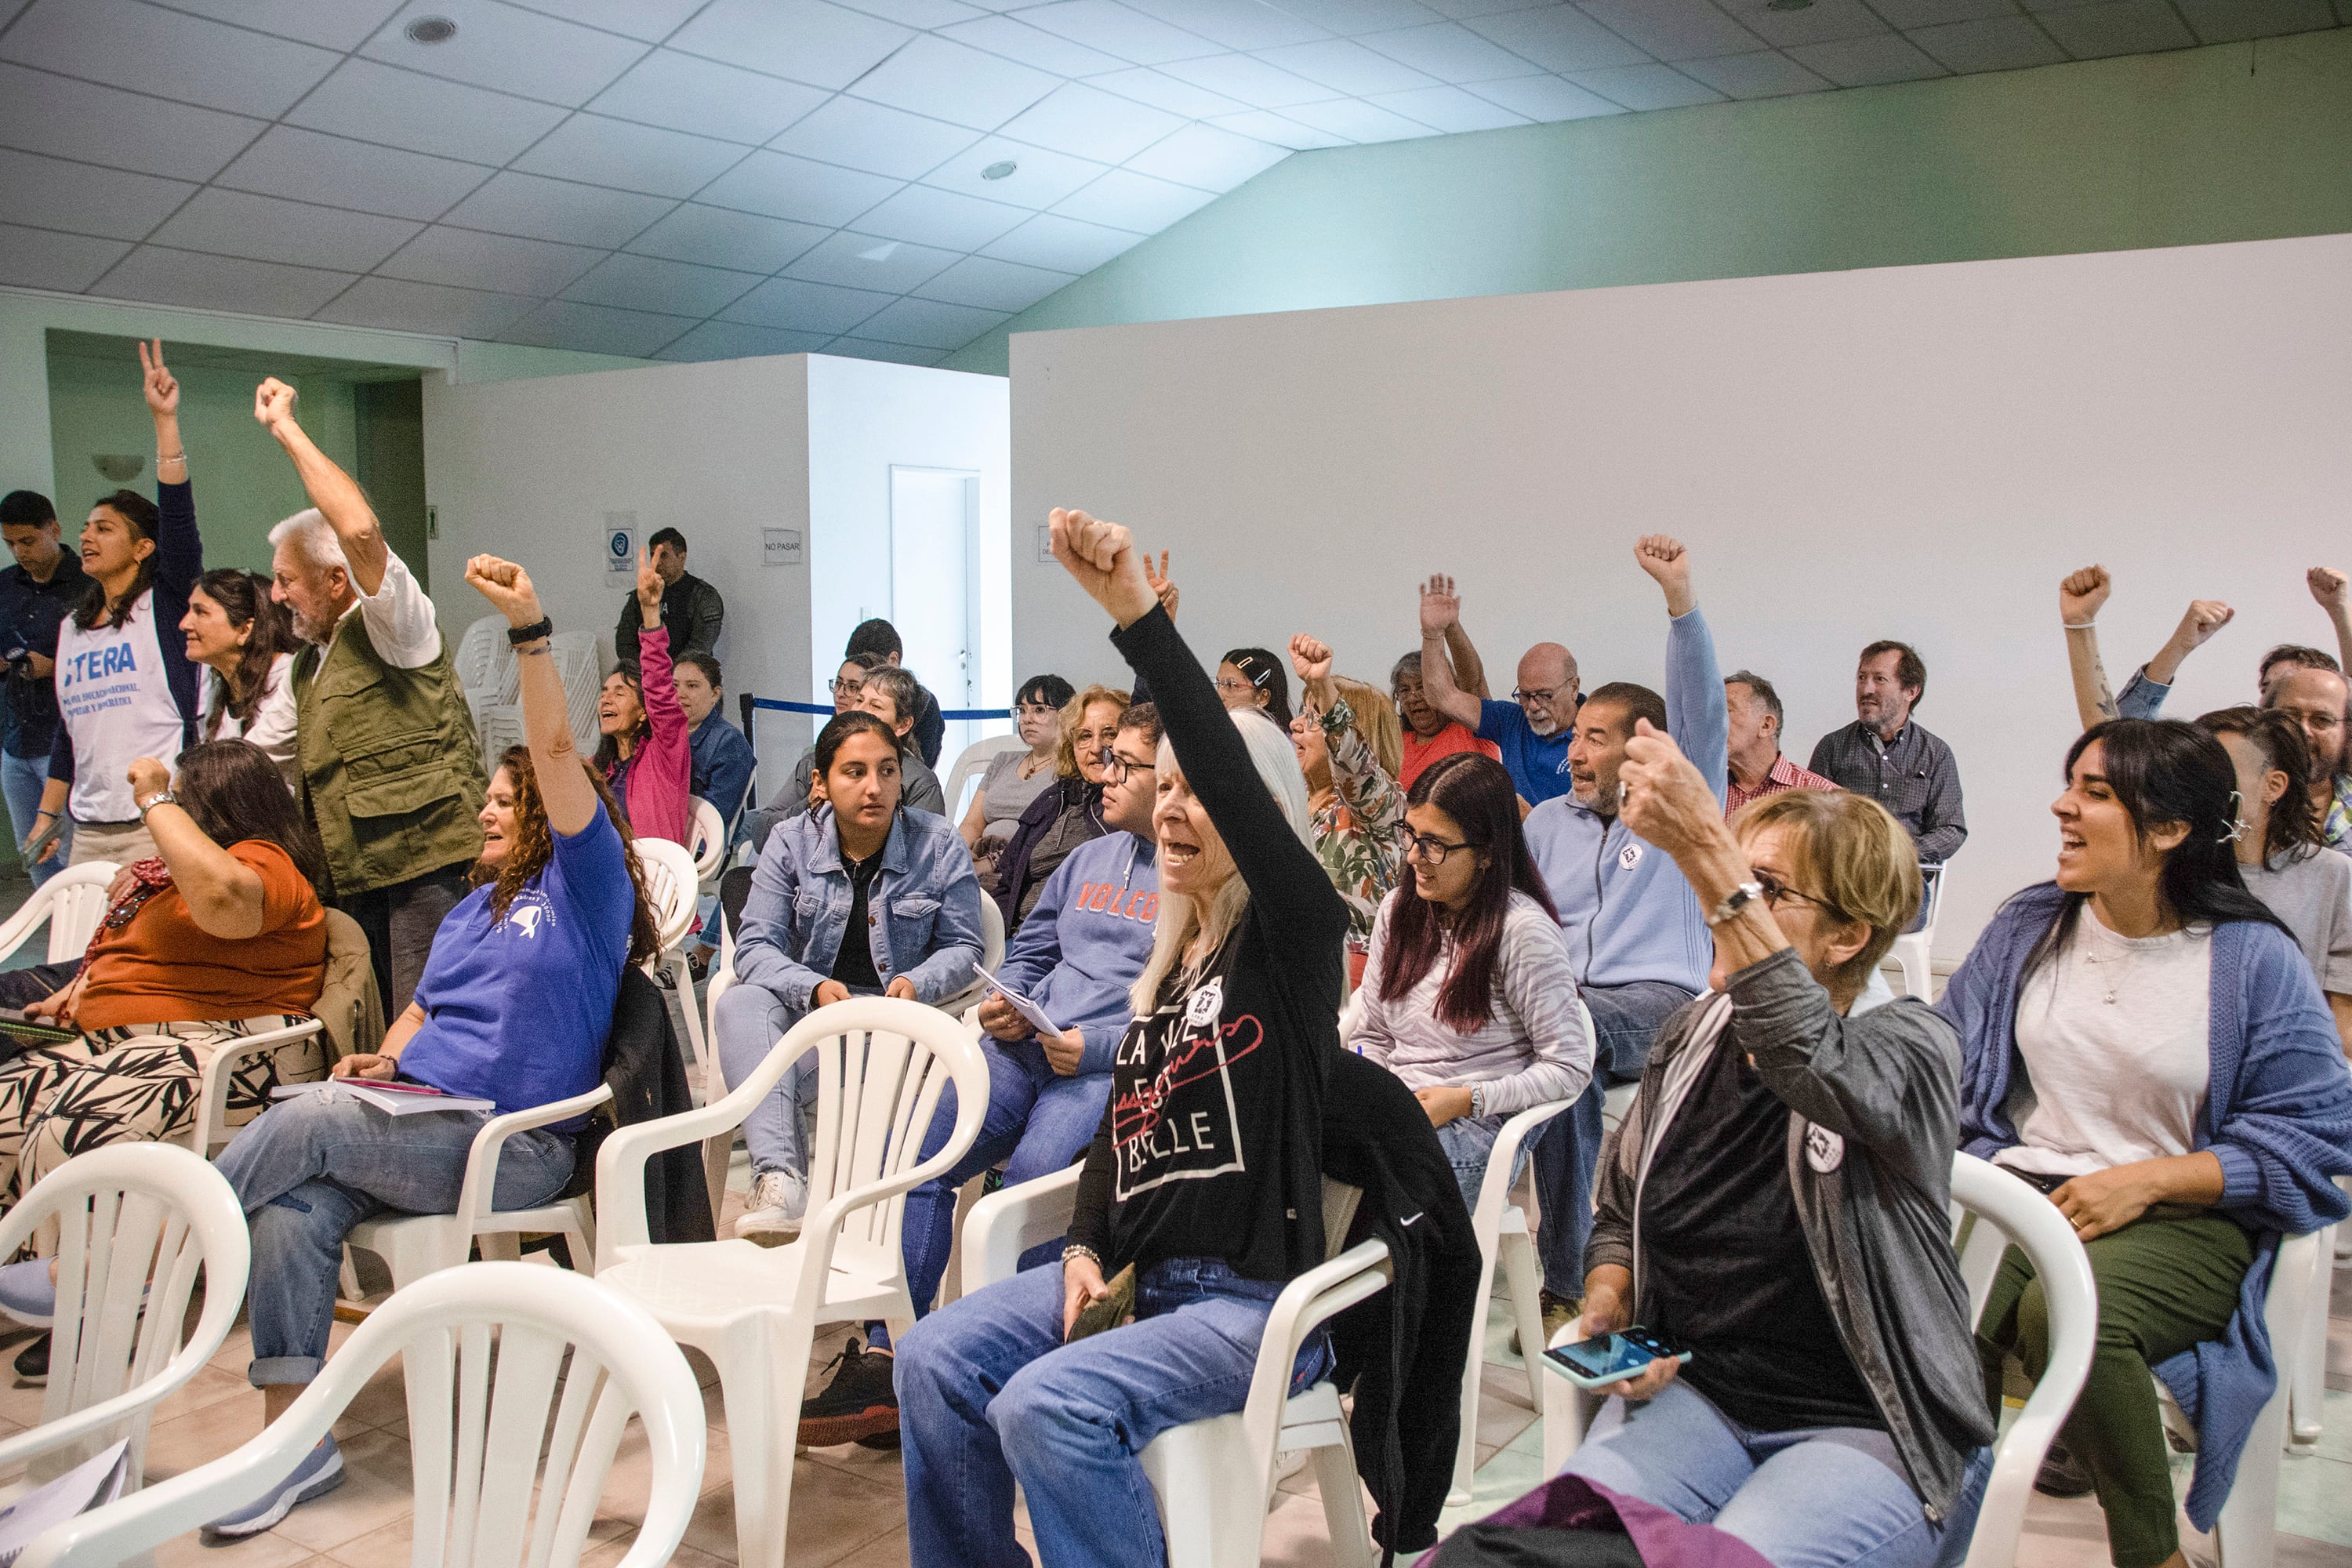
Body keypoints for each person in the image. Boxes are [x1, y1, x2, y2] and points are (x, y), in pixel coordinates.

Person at [895, 507, 1348, 1568]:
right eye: (1170, 793)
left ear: (1261, 815)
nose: (1180, 812)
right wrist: (1091, 1241)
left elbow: (1238, 789)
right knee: (931, 1359)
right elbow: (1123, 1133)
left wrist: (1139, 620)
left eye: (1203, 795)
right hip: (1144, 1282)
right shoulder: (1168, 970)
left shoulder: (1290, 945)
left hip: (1253, 1309)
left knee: (1043, 1408)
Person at [187, 552, 660, 1540]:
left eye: (504, 798)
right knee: (299, 1201)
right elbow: (421, 1013)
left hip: (509, 1142)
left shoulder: (584, 893)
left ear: (549, 813)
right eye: (488, 798)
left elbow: (559, 747)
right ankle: (291, 1443)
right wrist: (386, 1058)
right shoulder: (468, 911)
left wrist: (531, 633)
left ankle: (172, 1254)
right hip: (416, 1120)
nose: (486, 809)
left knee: (310, 1119)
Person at [1559, 731, 1996, 1568]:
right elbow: (1619, 1208)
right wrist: (1612, 1293)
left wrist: (1703, 849)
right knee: (1551, 1550)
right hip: (1704, 1393)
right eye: (1738, 884)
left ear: (1845, 937)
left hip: (1867, 1415)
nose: (1731, 904)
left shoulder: (1910, 1042)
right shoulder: (1693, 1033)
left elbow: (1809, 1059)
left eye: (1767, 892)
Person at [1942, 719, 2352, 1568]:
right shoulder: (2030, 924)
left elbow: (2321, 1127)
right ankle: (1941, 1527)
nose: (2062, 804)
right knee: (1935, 1307)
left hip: (2189, 1211)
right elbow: (1945, 1059)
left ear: (2169, 830)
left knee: (2066, 1311)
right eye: (2071, 783)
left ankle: (2152, 1555)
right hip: (2029, 1189)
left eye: (2095, 792)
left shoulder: (2252, 960)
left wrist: (2152, 1179)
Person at [799, 702, 1167, 1448]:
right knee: (921, 1157)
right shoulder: (1091, 859)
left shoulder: (1192, 877)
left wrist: (1090, 1047)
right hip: (1029, 1043)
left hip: (1101, 1067)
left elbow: (1182, 1007)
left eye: (1126, 763)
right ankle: (887, 1350)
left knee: (1031, 1182)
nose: (1103, 769)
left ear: (1172, 781)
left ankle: (1013, 1371)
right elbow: (1032, 947)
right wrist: (1009, 1001)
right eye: (1107, 756)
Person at [0, 738, 331, 1381]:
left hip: (219, 1049)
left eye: (184, 799)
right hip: (121, 1038)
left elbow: (225, 906)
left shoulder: (265, 863)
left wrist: (152, 796)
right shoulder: (172, 875)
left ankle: (102, 1297)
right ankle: (27, 1275)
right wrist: (83, 989)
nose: (171, 811)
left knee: (73, 1121)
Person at [1523, 535, 1726, 1341]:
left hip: (1658, 998)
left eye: (1597, 738)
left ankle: (1568, 1277)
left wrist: (1681, 601)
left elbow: (1702, 710)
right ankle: (1560, 1272)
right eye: (1576, 736)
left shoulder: (1675, 803)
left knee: (1563, 1033)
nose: (1576, 750)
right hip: (1568, 1007)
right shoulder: (1546, 823)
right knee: (1559, 1060)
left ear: (1641, 745)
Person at [260, 376, 486, 1016]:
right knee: (378, 1029)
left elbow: (359, 532)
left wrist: (287, 429)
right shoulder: (308, 665)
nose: (274, 595)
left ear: (336, 582)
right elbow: (256, 756)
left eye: (285, 580)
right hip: (352, 875)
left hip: (427, 872)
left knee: (433, 1026)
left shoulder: (396, 625)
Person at [715, 710, 984, 1240]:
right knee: (738, 1003)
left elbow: (964, 946)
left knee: (769, 1076)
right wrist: (810, 987)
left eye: (887, 771)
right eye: (854, 772)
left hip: (893, 1031)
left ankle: (794, 1192)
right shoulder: (790, 842)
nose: (874, 787)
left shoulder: (937, 842)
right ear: (821, 782)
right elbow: (755, 947)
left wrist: (919, 982)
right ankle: (782, 1180)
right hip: (811, 1023)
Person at [1352, 751, 1591, 1211]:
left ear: (1486, 854)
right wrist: (1374, 1087)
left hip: (1477, 1125)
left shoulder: (1522, 930)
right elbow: (1371, 1033)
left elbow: (1570, 1067)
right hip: (1401, 1106)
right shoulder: (1398, 909)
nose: (1415, 857)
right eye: (1411, 835)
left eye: (1435, 844)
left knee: (1364, 1201)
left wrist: (1467, 1100)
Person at [32, 342, 203, 873]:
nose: (86, 536)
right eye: (84, 528)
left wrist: (164, 420)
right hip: (89, 828)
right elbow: (70, 732)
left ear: (143, 547)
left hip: (159, 819)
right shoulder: (71, 628)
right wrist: (46, 814)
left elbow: (176, 519)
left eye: (104, 529)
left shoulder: (168, 602)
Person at [2066, 563, 2352, 847]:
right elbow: (2118, 746)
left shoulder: (2335, 858)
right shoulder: (2223, 790)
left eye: (2322, 719)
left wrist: (2341, 612)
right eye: (2288, 712)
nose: (2303, 729)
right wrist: (2081, 624)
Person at [2194, 706, 2352, 1058]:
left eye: (2224, 772)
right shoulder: (2173, 867)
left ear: (2274, 786)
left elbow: (2345, 1021)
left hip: (2287, 1072)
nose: (2206, 786)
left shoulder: (2332, 874)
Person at [1414, 575, 1580, 810]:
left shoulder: (1599, 727)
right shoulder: (1511, 720)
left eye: (1544, 695)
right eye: (1524, 695)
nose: (1532, 706)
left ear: (1574, 687)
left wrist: (1536, 823)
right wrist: (1433, 633)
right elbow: (1442, 696)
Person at [1289, 635, 1408, 956]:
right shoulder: (1292, 803)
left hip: (1349, 981)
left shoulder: (1384, 807)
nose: (1295, 725)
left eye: (1314, 718)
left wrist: (1324, 688)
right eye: (1303, 713)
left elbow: (1355, 767)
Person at [1808, 641, 1967, 867]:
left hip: (1903, 878)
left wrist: (1899, 854)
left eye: (1879, 679)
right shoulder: (1832, 747)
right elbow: (1809, 819)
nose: (1866, 689)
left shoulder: (1935, 754)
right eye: (1862, 678)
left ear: (1911, 691)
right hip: (1843, 875)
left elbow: (1951, 830)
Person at [991, 683, 1129, 930]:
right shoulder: (1053, 799)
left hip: (1080, 938)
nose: (1096, 748)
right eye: (1085, 736)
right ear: (1071, 746)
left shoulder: (1130, 806)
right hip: (1021, 934)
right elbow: (1007, 883)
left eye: (1110, 734)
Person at [0, 491, 85, 884]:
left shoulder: (89, 583)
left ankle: (90, 945)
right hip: (15, 740)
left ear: (54, 528)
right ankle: (59, 944)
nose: (19, 552)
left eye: (28, 541)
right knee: (34, 855)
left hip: (67, 740)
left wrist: (55, 667)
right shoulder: (4, 586)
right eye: (10, 543)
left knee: (74, 858)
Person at [593, 550, 691, 844]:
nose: (606, 700)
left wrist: (650, 612)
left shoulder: (664, 756)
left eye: (620, 692)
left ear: (644, 712)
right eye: (604, 692)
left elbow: (660, 690)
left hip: (652, 879)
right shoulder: (597, 768)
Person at [187, 569, 299, 791]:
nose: (185, 624)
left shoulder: (291, 675)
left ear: (246, 629)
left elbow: (253, 769)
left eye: (200, 612)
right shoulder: (219, 689)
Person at [959, 673, 1074, 880]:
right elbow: (972, 824)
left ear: (1066, 715)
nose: (1027, 719)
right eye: (1021, 710)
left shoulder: (1069, 770)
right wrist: (958, 854)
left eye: (1039, 710)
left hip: (1024, 870)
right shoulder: (1002, 761)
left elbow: (1053, 841)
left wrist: (992, 863)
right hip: (978, 858)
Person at [1723, 669, 1836, 816]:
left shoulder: (1824, 798)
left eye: (1725, 710)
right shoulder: (1705, 792)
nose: (1710, 720)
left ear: (1766, 725)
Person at [1392, 647, 1499, 792]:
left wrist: (1448, 628)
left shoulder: (1471, 727)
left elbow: (1474, 681)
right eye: (1404, 690)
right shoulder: (1395, 742)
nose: (1412, 698)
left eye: (1422, 687)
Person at [614, 525, 721, 668]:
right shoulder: (641, 595)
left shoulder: (703, 595)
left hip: (688, 680)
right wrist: (649, 672)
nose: (657, 562)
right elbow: (624, 645)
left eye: (663, 555)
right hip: (647, 679)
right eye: (653, 555)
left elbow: (701, 647)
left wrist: (670, 674)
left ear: (681, 558)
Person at [848, 618, 944, 768]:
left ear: (893, 659)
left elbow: (925, 767)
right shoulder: (850, 693)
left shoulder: (923, 703)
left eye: (876, 706)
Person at [675, 652, 754, 833]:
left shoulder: (730, 743)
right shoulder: (662, 737)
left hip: (701, 848)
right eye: (674, 685)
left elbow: (715, 816)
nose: (680, 694)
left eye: (692, 686)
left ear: (715, 694)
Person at [858, 666, 948, 816]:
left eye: (875, 706)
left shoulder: (920, 783)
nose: (860, 710)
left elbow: (925, 838)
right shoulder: (820, 762)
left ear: (903, 725)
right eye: (859, 700)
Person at [1215, 646, 1294, 731]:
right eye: (1219, 684)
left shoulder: (1274, 742)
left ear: (1263, 697)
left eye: (1230, 685)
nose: (1219, 695)